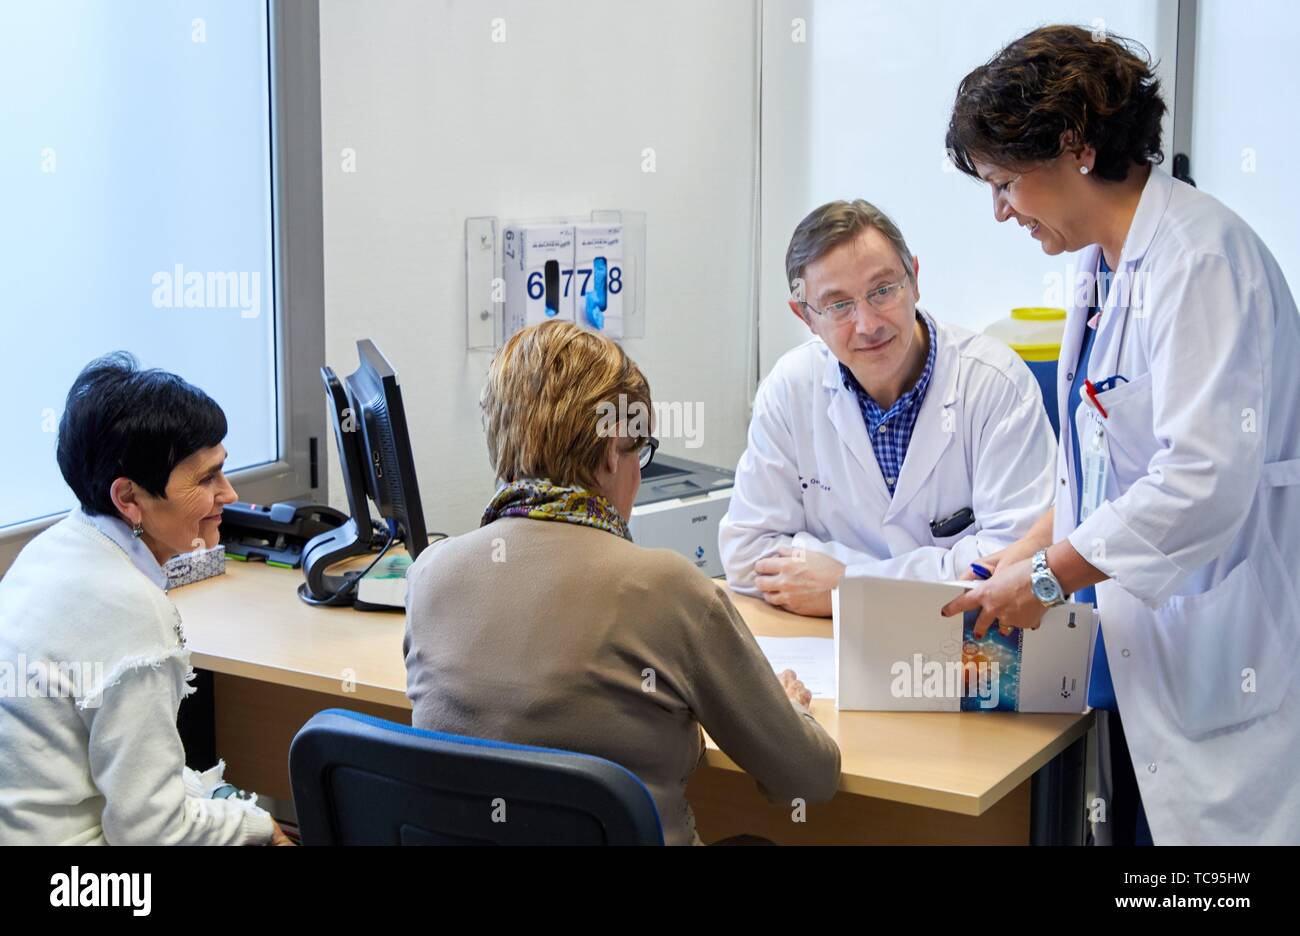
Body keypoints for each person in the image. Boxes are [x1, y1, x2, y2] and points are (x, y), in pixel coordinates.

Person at [942, 24, 1300, 844]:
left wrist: (1041, 580)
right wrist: (1029, 545)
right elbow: (1097, 462)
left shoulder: (1199, 260)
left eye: (1004, 183)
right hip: (1151, 653)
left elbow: (1199, 482)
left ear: (1073, 147)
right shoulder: (1103, 266)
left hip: (1224, 653)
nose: (1000, 212)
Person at [403, 320, 841, 845]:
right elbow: (809, 779)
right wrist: (788, 706)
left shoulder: (430, 574)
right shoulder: (668, 589)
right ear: (614, 450)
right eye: (641, 453)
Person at [0, 352, 289, 844]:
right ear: (128, 498)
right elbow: (152, 832)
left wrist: (224, 806)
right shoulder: (130, 612)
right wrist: (257, 824)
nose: (231, 494)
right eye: (206, 479)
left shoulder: (54, 548)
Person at [719, 199, 1056, 616]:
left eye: (882, 291)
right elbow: (748, 551)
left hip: (966, 653)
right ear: (806, 316)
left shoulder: (994, 382)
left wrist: (846, 587)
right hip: (825, 652)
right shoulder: (790, 387)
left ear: (914, 279)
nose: (868, 324)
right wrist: (932, 576)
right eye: (838, 305)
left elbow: (1013, 564)